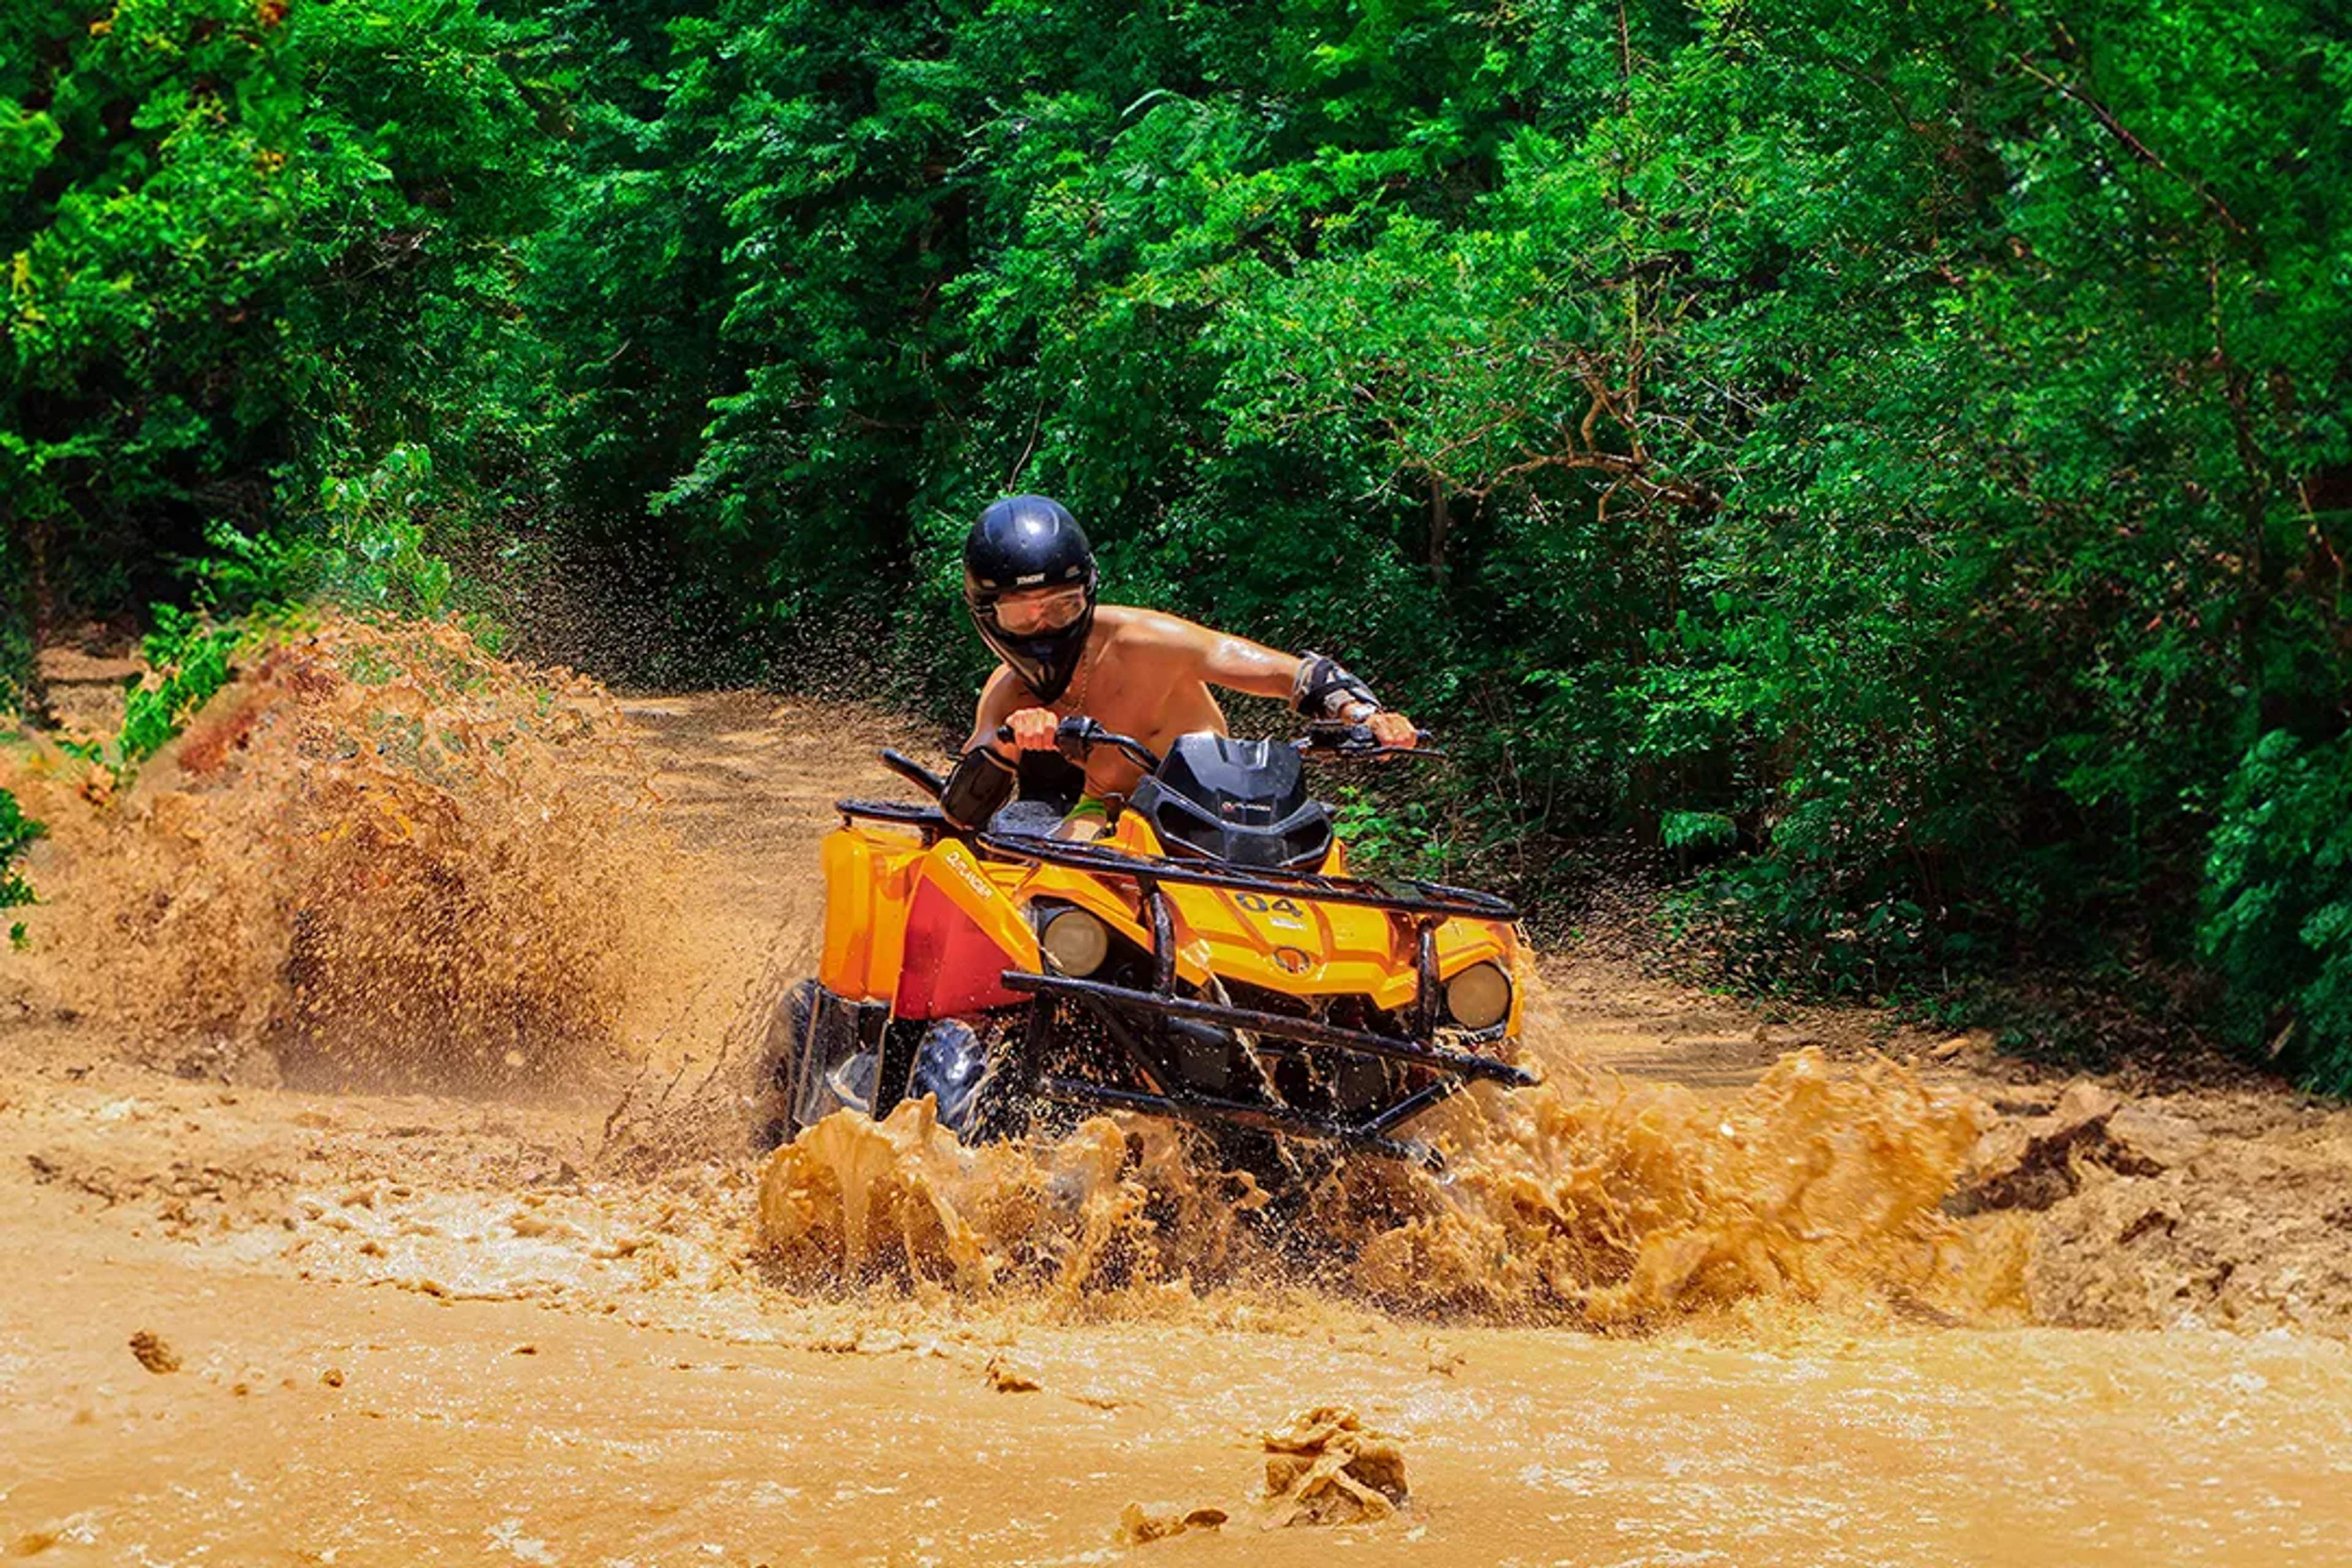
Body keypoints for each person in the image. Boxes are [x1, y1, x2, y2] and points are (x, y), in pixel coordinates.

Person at [938, 494, 1419, 836]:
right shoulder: (1007, 695)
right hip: (1109, 818)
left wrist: (1366, 717)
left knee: (1324, 872)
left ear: (1087, 594)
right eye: (1023, 612)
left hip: (1228, 812)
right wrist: (1009, 745)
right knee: (1047, 894)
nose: (1044, 625)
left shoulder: (1151, 642)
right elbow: (961, 814)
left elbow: (1288, 674)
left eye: (1061, 605)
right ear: (986, 614)